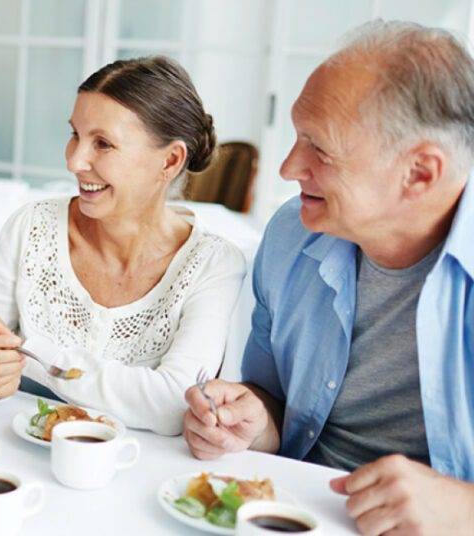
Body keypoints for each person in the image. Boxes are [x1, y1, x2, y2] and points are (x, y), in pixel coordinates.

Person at [182, 21, 474, 535]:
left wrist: (461, 509)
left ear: (421, 173)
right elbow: (275, 403)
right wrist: (253, 422)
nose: (289, 167)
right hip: (291, 508)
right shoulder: (291, 236)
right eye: (297, 137)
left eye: (320, 148)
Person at [0, 56, 247, 435]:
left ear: (170, 161)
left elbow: (175, 403)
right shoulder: (32, 227)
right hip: (17, 461)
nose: (75, 161)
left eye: (103, 144)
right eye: (75, 134)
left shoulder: (213, 263)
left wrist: (28, 352)